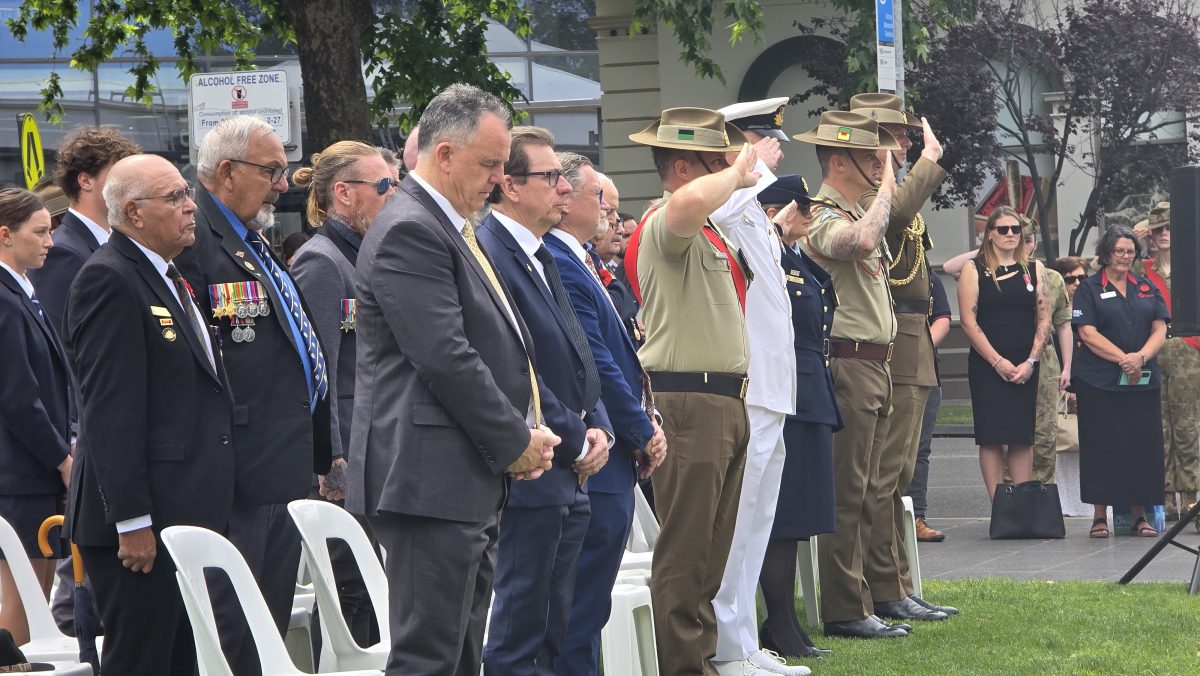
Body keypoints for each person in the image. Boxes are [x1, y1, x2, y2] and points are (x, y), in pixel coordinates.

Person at [346, 83, 558, 676]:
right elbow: (446, 357)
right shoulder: (412, 228)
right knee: (430, 657)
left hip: (455, 478)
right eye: (489, 163)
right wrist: (516, 441)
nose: (498, 178)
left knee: (462, 653)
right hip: (426, 482)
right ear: (443, 155)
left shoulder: (441, 224)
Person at [172, 114, 333, 675]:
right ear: (225, 172)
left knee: (267, 628)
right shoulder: (196, 242)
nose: (283, 184)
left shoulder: (252, 241)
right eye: (271, 171)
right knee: (235, 635)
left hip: (281, 465)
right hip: (236, 471)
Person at [64, 154, 235, 674]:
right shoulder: (110, 279)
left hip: (181, 510)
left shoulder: (165, 273)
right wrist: (132, 521)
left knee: (180, 659)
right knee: (143, 661)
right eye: (176, 198)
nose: (191, 208)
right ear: (134, 212)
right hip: (141, 526)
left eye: (187, 195)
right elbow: (110, 411)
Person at [623, 106, 757, 673]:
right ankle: (683, 666)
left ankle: (698, 658)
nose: (729, 170)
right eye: (714, 162)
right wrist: (738, 172)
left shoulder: (707, 231)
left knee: (712, 549)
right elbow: (683, 205)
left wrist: (727, 174)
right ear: (684, 167)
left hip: (721, 399)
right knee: (686, 548)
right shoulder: (668, 219)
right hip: (689, 401)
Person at [476, 129, 611, 674]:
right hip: (536, 465)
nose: (564, 188)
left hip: (568, 466)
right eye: (550, 177)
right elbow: (516, 368)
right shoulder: (493, 252)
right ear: (508, 185)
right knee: (518, 634)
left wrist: (596, 420)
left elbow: (576, 351)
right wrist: (578, 436)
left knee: (554, 629)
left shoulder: (538, 252)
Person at [546, 153, 666, 676]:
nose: (608, 211)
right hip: (600, 449)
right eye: (599, 198)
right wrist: (641, 430)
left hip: (613, 449)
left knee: (587, 607)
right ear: (566, 199)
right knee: (579, 608)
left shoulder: (578, 259)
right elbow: (594, 358)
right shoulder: (561, 260)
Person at [791, 111, 910, 639]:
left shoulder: (858, 209)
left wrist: (882, 183)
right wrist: (888, 181)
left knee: (874, 489)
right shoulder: (820, 214)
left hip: (875, 362)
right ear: (839, 162)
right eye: (868, 156)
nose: (878, 163)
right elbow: (859, 243)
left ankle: (882, 592)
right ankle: (845, 606)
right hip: (849, 362)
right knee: (848, 490)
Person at [707, 97, 808, 676]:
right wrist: (744, 171)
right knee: (739, 521)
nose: (771, 156)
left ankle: (743, 639)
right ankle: (725, 644)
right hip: (749, 391)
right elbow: (712, 208)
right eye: (762, 143)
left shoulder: (751, 213)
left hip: (773, 389)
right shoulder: (727, 203)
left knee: (758, 522)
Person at [848, 92, 957, 625]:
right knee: (885, 474)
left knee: (900, 473)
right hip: (895, 332)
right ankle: (884, 587)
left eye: (908, 135)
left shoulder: (888, 190)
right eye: (896, 135)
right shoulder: (874, 195)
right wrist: (927, 161)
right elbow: (900, 212)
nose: (907, 142)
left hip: (912, 331)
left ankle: (898, 585)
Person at [290, 141, 396, 645]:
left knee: (372, 589)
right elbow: (320, 373)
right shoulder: (322, 263)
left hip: (374, 448)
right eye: (383, 186)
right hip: (347, 456)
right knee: (349, 591)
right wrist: (331, 457)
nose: (393, 195)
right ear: (344, 194)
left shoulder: (364, 255)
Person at [754, 174, 838, 660]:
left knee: (799, 514)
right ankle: (779, 622)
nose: (810, 215)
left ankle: (786, 620)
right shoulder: (769, 258)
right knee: (781, 516)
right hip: (787, 394)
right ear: (775, 212)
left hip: (808, 390)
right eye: (802, 208)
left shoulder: (797, 261)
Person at [0, 187, 72, 647]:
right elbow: (18, 397)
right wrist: (62, 458)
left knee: (36, 597)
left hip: (32, 473)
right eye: (40, 232)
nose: (51, 241)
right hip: (21, 475)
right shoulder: (5, 300)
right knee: (21, 604)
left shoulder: (20, 294)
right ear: (5, 235)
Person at [1073, 226, 1168, 538]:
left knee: (1140, 446)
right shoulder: (1089, 288)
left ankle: (1139, 516)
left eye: (1130, 251)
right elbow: (1087, 333)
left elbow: (1159, 329)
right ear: (1106, 253)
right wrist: (1123, 359)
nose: (1126, 256)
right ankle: (1100, 516)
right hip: (1099, 381)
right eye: (1119, 251)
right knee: (1102, 445)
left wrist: (1139, 357)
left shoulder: (1145, 287)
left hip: (1141, 380)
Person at [957, 206, 1051, 502]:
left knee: (1022, 436)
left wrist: (1031, 361)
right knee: (992, 436)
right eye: (1003, 229)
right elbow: (969, 322)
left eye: (1015, 229)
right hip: (988, 365)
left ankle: (1021, 506)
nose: (1010, 234)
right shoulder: (974, 269)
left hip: (1025, 365)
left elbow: (1044, 318)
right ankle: (1000, 506)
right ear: (990, 235)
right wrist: (997, 361)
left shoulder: (1034, 268)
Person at [29, 127, 140, 337]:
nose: (131, 185)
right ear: (85, 181)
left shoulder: (113, 241)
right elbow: (64, 342)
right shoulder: (62, 252)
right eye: (119, 175)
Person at [1133, 203, 1200, 520]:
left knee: (1188, 426)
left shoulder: (1194, 267)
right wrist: (1134, 238)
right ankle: (1164, 496)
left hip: (1189, 353)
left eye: (1170, 228)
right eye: (1158, 229)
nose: (1164, 234)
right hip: (1154, 351)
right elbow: (1102, 268)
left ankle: (1191, 495)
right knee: (1158, 426)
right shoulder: (1141, 269)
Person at [905, 272, 953, 542]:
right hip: (883, 367)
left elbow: (942, 319)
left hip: (925, 369)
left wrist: (917, 350)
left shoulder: (927, 277)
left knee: (919, 449)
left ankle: (916, 516)